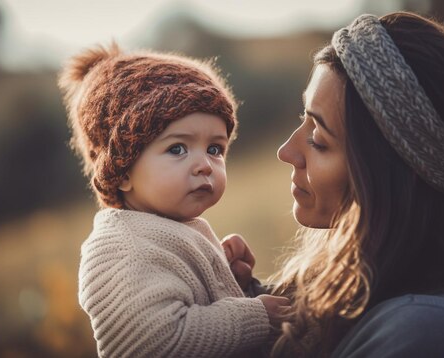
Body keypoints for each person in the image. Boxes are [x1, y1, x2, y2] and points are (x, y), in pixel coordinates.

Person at [262, 11, 444, 358]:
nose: (286, 151)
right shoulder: (347, 289)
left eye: (318, 139)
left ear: (390, 172)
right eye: (302, 118)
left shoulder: (432, 332)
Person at [57, 43, 289, 357]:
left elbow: (193, 314)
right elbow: (157, 343)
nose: (205, 164)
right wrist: (256, 316)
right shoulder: (121, 248)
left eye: (215, 149)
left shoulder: (168, 231)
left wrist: (232, 285)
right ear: (121, 172)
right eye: (177, 148)